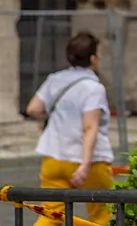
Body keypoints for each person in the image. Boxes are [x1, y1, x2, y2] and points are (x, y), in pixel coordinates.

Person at [26, 32, 114, 226]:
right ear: (93, 58)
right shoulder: (94, 88)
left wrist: (52, 117)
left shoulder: (55, 79)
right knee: (101, 215)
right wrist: (85, 164)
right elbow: (89, 127)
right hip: (88, 161)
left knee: (51, 215)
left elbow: (33, 108)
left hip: (54, 156)